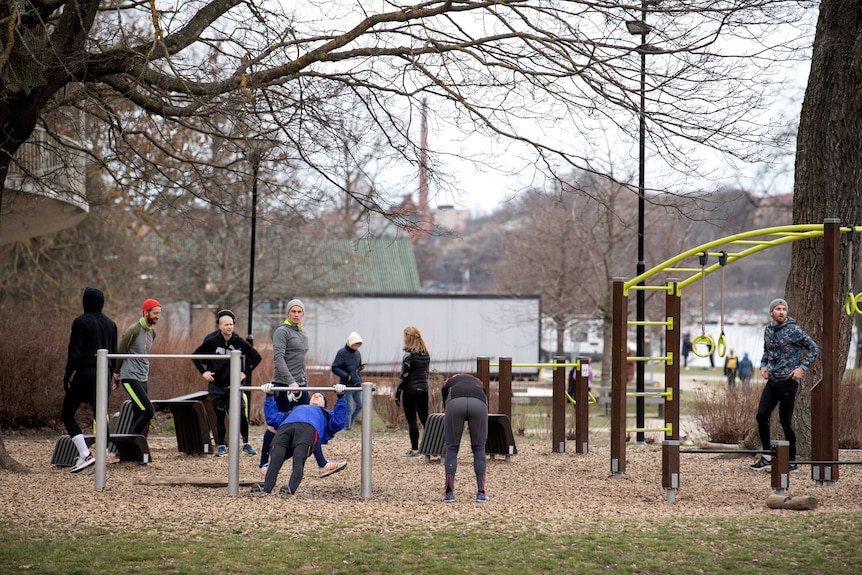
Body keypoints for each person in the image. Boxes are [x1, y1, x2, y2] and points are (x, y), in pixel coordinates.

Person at [259, 298, 345, 478]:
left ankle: (322, 464)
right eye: (293, 312)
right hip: (284, 383)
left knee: (310, 423)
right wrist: (290, 382)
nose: (296, 315)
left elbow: (300, 361)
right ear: (288, 313)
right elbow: (279, 359)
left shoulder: (302, 333)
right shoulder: (282, 332)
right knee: (275, 426)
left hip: (300, 384)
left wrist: (302, 381)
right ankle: (264, 464)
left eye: (299, 312)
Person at [749, 298, 819, 472]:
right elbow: (767, 351)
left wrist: (802, 368)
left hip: (788, 382)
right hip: (772, 381)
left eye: (784, 309)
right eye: (778, 309)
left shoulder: (794, 330)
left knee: (785, 421)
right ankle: (766, 456)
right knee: (761, 416)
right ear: (771, 312)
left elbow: (814, 348)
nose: (781, 312)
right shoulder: (768, 330)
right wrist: (763, 365)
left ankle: (792, 461)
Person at [251, 383, 348, 495]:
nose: (316, 396)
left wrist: (340, 397)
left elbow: (339, 422)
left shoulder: (326, 414)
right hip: (286, 428)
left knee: (298, 458)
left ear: (324, 404)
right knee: (275, 459)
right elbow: (272, 419)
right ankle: (266, 490)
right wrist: (269, 396)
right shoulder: (295, 410)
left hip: (308, 430)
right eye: (314, 396)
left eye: (320, 396)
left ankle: (290, 490)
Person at [62, 287, 118, 474]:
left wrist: (67, 375)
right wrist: (111, 376)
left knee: (68, 413)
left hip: (85, 373)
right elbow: (114, 355)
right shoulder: (111, 324)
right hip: (105, 374)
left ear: (84, 302)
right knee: (100, 416)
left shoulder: (80, 322)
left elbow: (74, 353)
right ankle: (101, 462)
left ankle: (85, 454)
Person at [192, 309, 261, 457]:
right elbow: (195, 356)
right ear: (220, 326)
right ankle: (222, 445)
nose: (229, 327)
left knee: (241, 414)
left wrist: (245, 372)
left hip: (234, 385)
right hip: (216, 385)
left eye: (231, 324)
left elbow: (256, 357)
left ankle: (246, 443)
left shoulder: (238, 341)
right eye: (226, 324)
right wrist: (203, 372)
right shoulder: (211, 341)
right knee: (220, 415)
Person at [114, 298, 161, 436]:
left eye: (159, 313)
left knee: (139, 412)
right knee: (148, 411)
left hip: (143, 377)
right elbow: (121, 352)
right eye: (155, 313)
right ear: (145, 313)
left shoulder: (153, 332)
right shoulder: (133, 330)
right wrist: (116, 375)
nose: (157, 316)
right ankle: (129, 443)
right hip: (129, 377)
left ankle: (133, 451)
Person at [440, 374, 490, 503]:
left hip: (455, 403)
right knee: (479, 448)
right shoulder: (478, 382)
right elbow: (485, 396)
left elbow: (444, 399)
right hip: (478, 404)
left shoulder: (449, 382)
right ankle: (481, 493)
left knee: (452, 448)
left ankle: (449, 493)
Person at [394, 326, 431, 458]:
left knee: (412, 420)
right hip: (424, 389)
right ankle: (433, 447)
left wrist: (398, 392)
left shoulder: (408, 355)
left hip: (411, 390)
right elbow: (426, 373)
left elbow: (404, 375)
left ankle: (415, 450)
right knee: (425, 419)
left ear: (407, 338)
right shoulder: (426, 354)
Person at [331, 331, 365, 431]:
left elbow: (356, 367)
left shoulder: (358, 353)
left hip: (357, 384)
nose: (357, 347)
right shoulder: (341, 353)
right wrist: (346, 376)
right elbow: (335, 367)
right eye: (356, 344)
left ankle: (351, 423)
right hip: (346, 385)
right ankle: (347, 427)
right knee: (349, 408)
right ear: (351, 343)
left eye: (359, 345)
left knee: (360, 405)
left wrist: (360, 368)